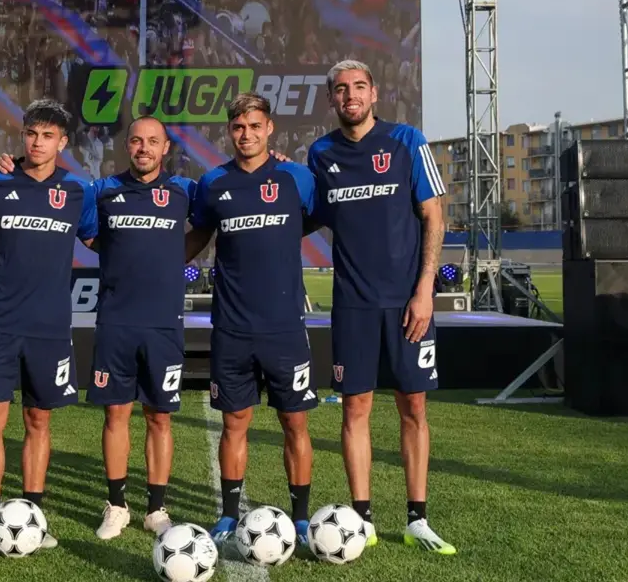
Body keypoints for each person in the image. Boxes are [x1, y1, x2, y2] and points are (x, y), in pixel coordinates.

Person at [0, 116, 194, 540]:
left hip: (164, 323)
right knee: (115, 414)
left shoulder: (185, 192)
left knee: (159, 417)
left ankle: (156, 509)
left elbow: (210, 224)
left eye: (152, 142)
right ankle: (116, 504)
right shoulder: (99, 191)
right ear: (127, 146)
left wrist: (176, 255)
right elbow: (84, 233)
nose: (143, 148)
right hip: (116, 320)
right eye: (136, 140)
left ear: (165, 148)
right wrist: (7, 168)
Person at [307, 59, 454, 555]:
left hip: (408, 302)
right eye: (341, 89)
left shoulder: (408, 141)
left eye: (359, 87)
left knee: (413, 406)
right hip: (352, 305)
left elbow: (434, 215)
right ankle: (362, 518)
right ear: (332, 100)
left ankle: (417, 518)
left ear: (374, 94)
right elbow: (307, 213)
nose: (350, 95)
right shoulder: (320, 153)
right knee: (356, 408)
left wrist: (424, 290)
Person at [0, 99, 97, 555]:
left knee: (38, 421)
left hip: (51, 328)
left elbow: (100, 238)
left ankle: (33, 517)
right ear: (23, 137)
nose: (38, 143)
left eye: (48, 136)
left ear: (63, 142)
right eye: (32, 134)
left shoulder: (78, 191)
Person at [184, 93, 319, 548]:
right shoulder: (212, 184)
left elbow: (320, 216)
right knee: (234, 422)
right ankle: (227, 514)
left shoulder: (297, 178)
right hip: (232, 328)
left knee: (294, 423)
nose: (247, 135)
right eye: (239, 127)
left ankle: (301, 520)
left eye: (255, 126)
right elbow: (197, 237)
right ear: (230, 131)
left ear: (270, 129)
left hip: (284, 327)